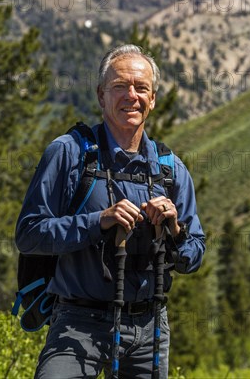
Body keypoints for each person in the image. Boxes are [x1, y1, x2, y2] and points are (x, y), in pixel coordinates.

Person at [15, 44, 205, 379]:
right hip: (77, 325)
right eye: (119, 87)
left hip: (150, 328)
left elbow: (195, 254)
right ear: (101, 96)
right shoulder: (69, 153)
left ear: (153, 99)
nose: (131, 95)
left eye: (141, 88)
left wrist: (175, 230)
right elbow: (29, 234)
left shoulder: (170, 169)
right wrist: (97, 221)